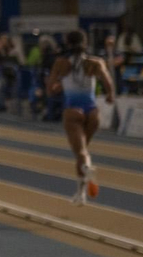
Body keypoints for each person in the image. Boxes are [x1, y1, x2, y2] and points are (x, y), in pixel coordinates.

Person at [47, 30, 115, 205]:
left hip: (73, 110)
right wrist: (110, 95)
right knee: (83, 152)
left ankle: (87, 169)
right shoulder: (96, 62)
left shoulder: (61, 63)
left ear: (67, 44)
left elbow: (50, 88)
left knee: (81, 152)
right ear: (85, 43)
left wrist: (58, 87)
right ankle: (80, 194)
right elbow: (108, 82)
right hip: (92, 111)